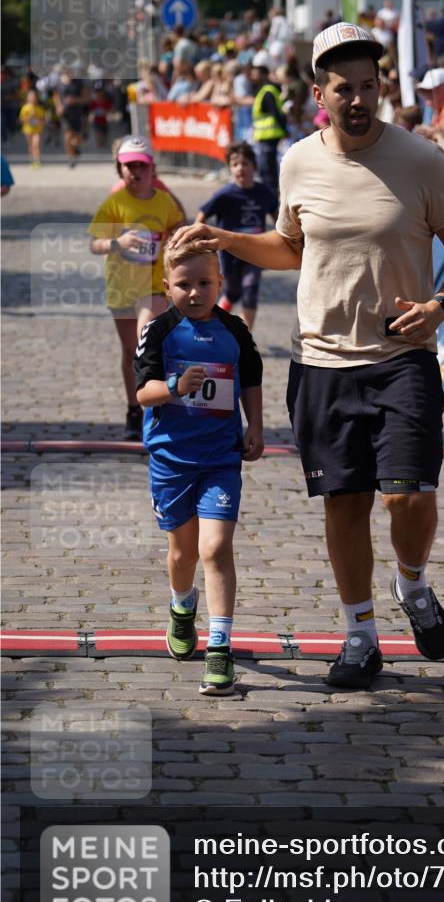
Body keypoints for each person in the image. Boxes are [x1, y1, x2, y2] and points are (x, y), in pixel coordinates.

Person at [169, 22, 444, 690]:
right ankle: (360, 636)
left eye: (369, 86)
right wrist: (225, 238)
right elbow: (291, 248)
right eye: (345, 89)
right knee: (344, 505)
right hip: (320, 362)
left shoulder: (422, 160)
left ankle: (413, 585)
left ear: (382, 87)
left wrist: (440, 306)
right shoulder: (297, 162)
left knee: (407, 498)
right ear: (320, 94)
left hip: (402, 356)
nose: (359, 99)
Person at [133, 237, 264, 695]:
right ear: (167, 285)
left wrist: (255, 425)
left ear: (220, 283)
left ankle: (220, 649)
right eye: (184, 284)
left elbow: (251, 378)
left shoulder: (234, 330)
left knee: (216, 548)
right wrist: (174, 386)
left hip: (220, 458)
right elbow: (142, 393)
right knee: (182, 555)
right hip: (172, 460)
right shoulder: (159, 330)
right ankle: (182, 605)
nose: (195, 292)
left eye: (204, 283)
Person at [89, 135, 184, 439]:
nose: (136, 172)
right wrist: (118, 242)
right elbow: (94, 244)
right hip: (121, 286)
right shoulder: (114, 203)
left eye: (141, 166)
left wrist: (175, 238)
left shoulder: (164, 201)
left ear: (152, 168)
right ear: (120, 169)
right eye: (129, 166)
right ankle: (133, 409)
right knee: (131, 350)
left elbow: (177, 225)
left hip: (153, 285)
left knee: (147, 337)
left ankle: (155, 408)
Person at [195, 141, 278, 330]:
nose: (240, 168)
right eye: (235, 164)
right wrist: (196, 236)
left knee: (250, 292)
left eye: (245, 163)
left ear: (254, 166)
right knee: (231, 293)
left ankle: (244, 338)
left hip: (255, 253)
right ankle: (213, 326)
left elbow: (278, 217)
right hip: (230, 254)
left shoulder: (264, 193)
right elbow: (202, 214)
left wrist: (285, 237)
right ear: (230, 169)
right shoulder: (225, 194)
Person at [250, 51, 287, 196]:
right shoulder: (264, 91)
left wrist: (284, 130)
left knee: (268, 172)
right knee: (266, 171)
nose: (253, 75)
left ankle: (271, 199)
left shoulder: (267, 91)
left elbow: (275, 113)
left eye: (256, 72)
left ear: (264, 74)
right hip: (266, 137)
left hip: (270, 136)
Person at [19, 89, 46, 167]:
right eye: (31, 97)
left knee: (36, 144)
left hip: (38, 130)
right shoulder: (25, 108)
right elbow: (21, 120)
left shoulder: (40, 108)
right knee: (30, 145)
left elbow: (43, 120)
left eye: (34, 97)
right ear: (28, 98)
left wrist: (39, 121)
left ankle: (37, 160)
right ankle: (32, 159)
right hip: (28, 129)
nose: (32, 99)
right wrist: (30, 115)